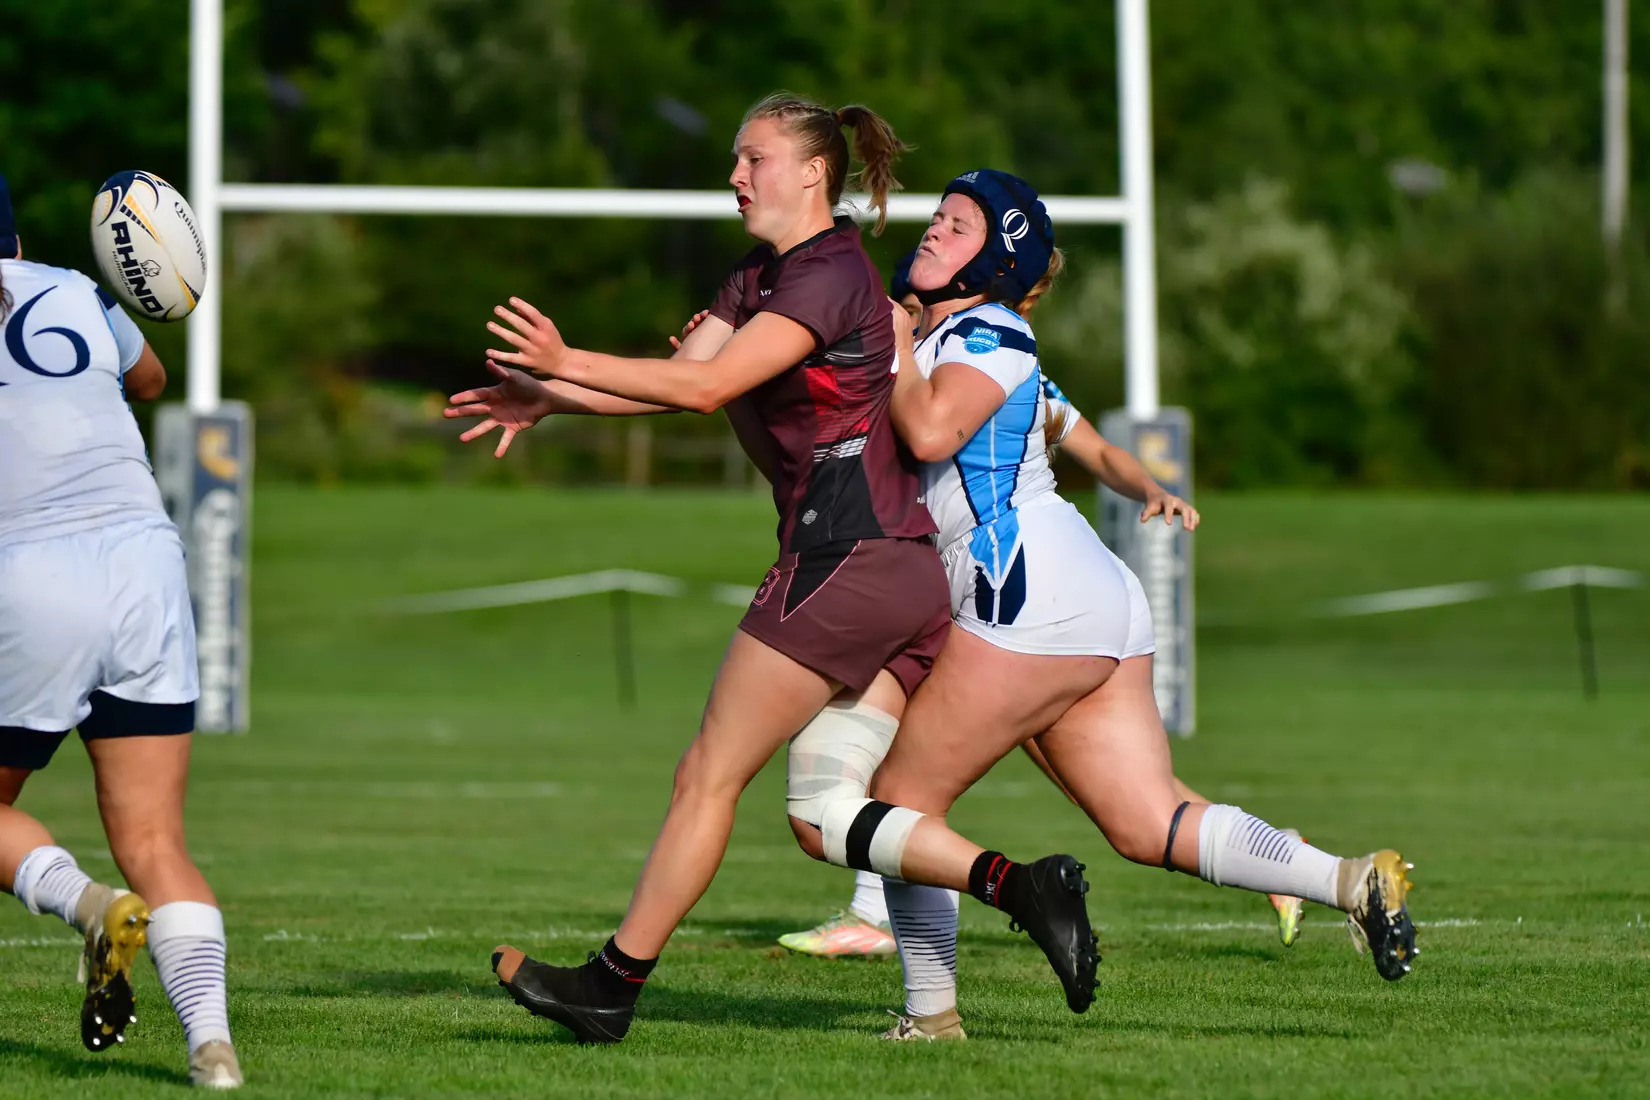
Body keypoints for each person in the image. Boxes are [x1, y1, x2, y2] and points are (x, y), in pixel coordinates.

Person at [444, 94, 1097, 1045]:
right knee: (822, 807)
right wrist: (555, 398)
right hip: (896, 574)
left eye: (754, 158)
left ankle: (611, 986)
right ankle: (1021, 884)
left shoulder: (832, 274)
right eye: (736, 158)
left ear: (811, 174)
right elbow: (693, 386)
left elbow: (702, 383)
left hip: (849, 562)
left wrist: (567, 355)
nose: (737, 174)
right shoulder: (761, 274)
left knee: (706, 775)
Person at [777, 169, 1417, 1040]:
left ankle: (932, 1018)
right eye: (938, 218)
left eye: (960, 227)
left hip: (1024, 591)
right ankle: (1352, 881)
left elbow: (928, 433)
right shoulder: (957, 337)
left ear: (997, 265)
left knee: (901, 805)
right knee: (1150, 822)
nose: (933, 231)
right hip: (1086, 596)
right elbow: (1067, 441)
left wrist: (887, 342)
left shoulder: (987, 332)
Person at [777, 254, 1307, 963]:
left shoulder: (996, 375)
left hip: (1005, 598)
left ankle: (889, 934)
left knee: (907, 777)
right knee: (1120, 798)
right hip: (958, 595)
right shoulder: (911, 364)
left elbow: (1093, 446)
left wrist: (1149, 486)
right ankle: (1281, 856)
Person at [0, 175, 243, 1088]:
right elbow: (150, 379)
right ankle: (212, 1049)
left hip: (27, 575)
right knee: (156, 839)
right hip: (145, 560)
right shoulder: (76, 287)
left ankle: (89, 904)